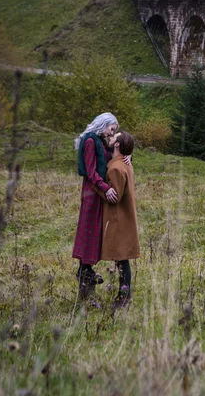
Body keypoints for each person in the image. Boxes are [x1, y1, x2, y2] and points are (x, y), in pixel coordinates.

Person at [72, 113, 120, 299]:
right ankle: (85, 274)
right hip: (92, 193)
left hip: (97, 194)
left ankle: (87, 272)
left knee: (94, 233)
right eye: (112, 128)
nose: (112, 132)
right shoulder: (91, 141)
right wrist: (106, 188)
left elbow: (109, 158)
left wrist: (126, 156)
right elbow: (91, 173)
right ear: (104, 124)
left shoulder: (99, 140)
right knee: (89, 233)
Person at [98, 131, 140, 307]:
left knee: (122, 259)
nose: (111, 137)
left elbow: (113, 196)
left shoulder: (116, 168)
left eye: (115, 137)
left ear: (117, 145)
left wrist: (97, 186)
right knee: (122, 259)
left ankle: (124, 297)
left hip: (119, 220)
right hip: (124, 218)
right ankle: (125, 295)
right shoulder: (124, 163)